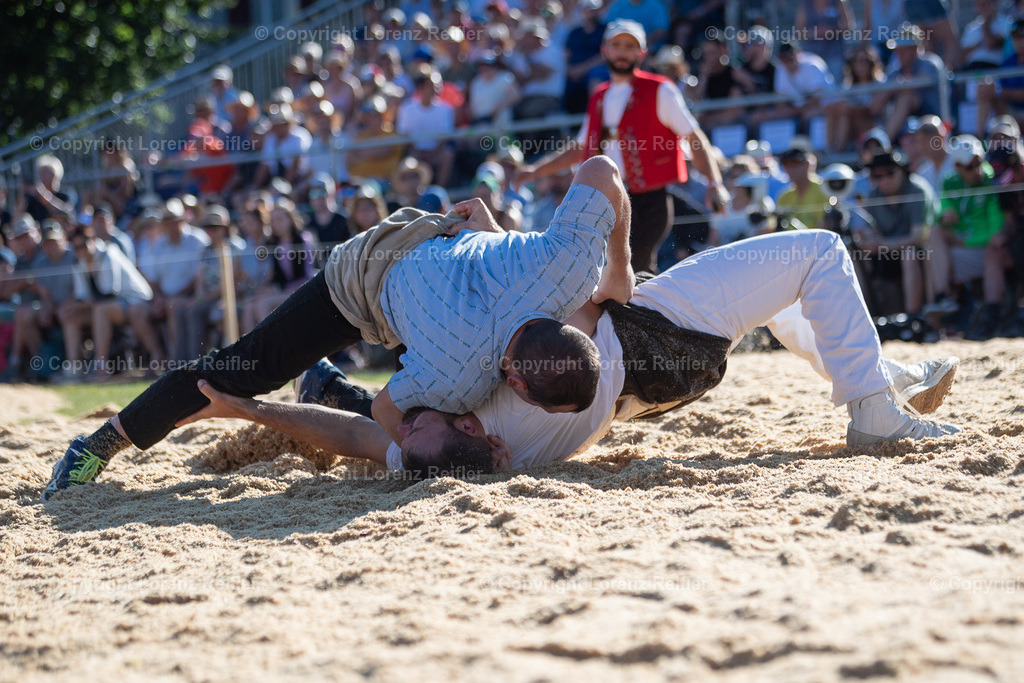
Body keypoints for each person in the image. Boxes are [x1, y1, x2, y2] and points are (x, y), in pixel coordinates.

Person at [169, 226, 961, 483]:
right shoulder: (483, 397)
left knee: (789, 294)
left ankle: (879, 377)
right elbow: (574, 297)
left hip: (647, 382)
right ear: (487, 435)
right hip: (656, 329)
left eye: (406, 428)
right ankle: (874, 409)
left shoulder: (449, 449)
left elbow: (349, 436)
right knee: (819, 253)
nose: (406, 422)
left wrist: (250, 407)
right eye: (417, 425)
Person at [41, 156, 633, 500]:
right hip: (361, 280)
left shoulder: (568, 267)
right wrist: (431, 444)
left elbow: (603, 168)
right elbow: (385, 418)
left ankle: (324, 385)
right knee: (242, 369)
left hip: (431, 238)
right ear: (516, 382)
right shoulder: (460, 381)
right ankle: (99, 444)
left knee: (410, 373)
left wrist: (619, 267)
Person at [515, 20, 727, 273]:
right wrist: (534, 171)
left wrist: (714, 182)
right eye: (617, 45)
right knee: (622, 273)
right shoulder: (599, 97)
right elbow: (582, 148)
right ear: (605, 50)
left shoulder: (660, 90)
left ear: (642, 53)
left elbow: (694, 138)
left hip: (649, 200)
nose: (623, 52)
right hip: (609, 201)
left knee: (633, 269)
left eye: (629, 46)